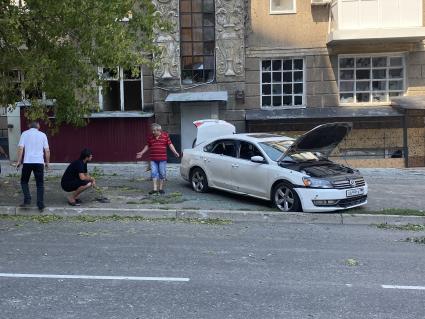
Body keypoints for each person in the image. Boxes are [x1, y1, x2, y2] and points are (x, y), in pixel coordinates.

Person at [136, 123, 179, 195]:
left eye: (154, 131)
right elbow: (147, 146)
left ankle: (161, 188)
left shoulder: (165, 136)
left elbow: (170, 144)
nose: (152, 132)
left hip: (162, 159)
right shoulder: (150, 137)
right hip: (153, 159)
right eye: (152, 131)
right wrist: (141, 152)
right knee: (153, 173)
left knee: (162, 173)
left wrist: (175, 152)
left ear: (159, 130)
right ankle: (155, 189)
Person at [16, 121, 50, 211]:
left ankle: (27, 200)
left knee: (24, 181)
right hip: (39, 162)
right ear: (38, 126)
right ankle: (40, 204)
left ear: (29, 126)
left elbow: (20, 148)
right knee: (40, 184)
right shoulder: (43, 135)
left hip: (27, 162)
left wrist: (19, 161)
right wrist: (47, 163)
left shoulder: (24, 134)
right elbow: (47, 150)